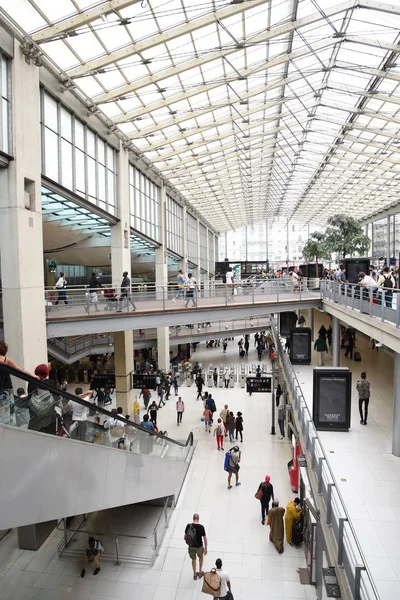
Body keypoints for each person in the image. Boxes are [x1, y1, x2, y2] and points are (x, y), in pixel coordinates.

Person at [184, 514, 207, 580]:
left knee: (193, 559)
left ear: (193, 518)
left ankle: (194, 574)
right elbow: (205, 539)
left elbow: (185, 537)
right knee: (201, 557)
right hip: (199, 547)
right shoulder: (201, 527)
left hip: (191, 547)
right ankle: (200, 571)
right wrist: (205, 548)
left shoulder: (188, 526)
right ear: (198, 519)